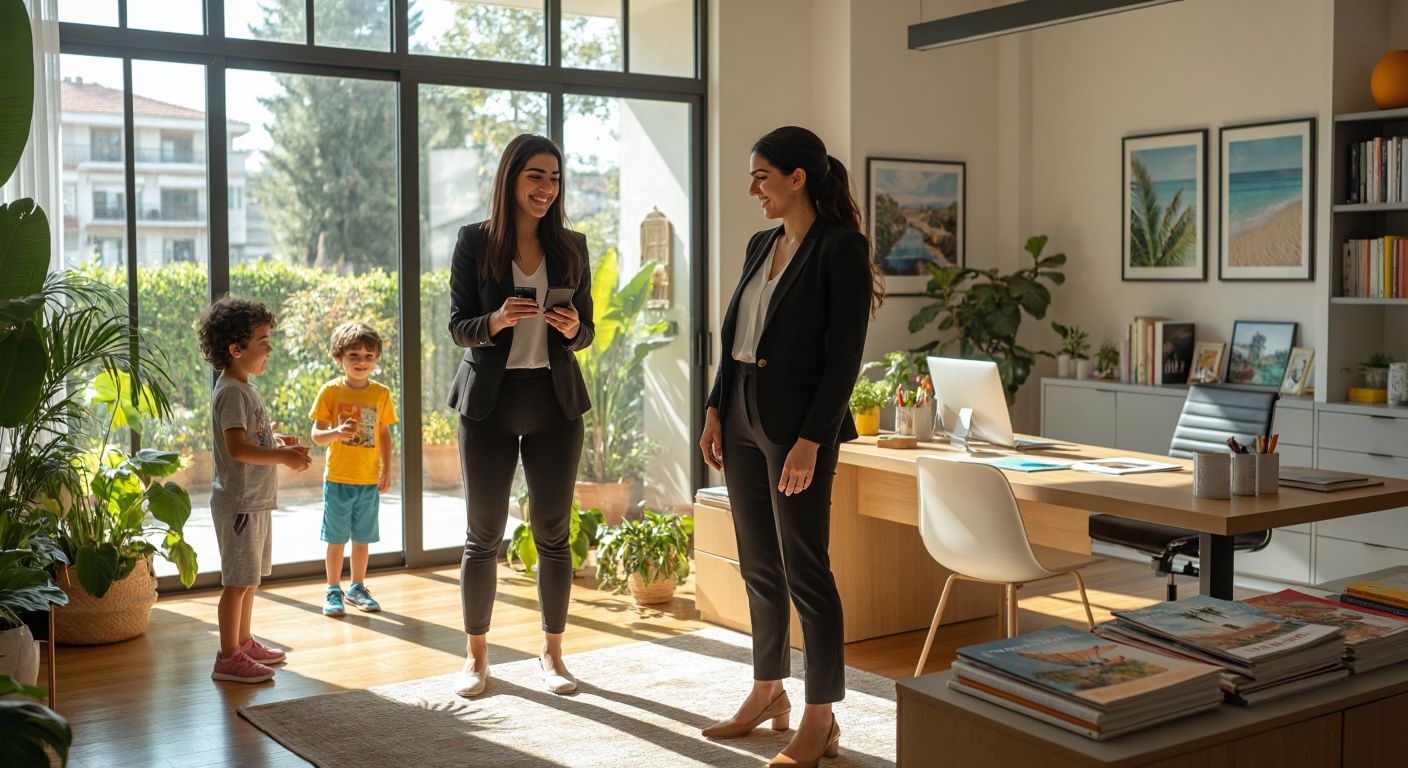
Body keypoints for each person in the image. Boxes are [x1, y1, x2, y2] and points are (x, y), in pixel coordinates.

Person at [698, 126, 882, 768]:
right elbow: (736, 338)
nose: (753, 189)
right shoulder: (761, 244)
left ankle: (820, 716)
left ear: (797, 178)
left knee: (807, 569)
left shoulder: (841, 248)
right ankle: (767, 689)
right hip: (741, 415)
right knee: (757, 563)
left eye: (762, 177)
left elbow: (844, 358)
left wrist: (812, 440)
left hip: (798, 426)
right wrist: (715, 408)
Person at [446, 134, 595, 698]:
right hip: (489, 403)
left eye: (554, 178)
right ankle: (476, 656)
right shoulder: (474, 241)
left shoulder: (572, 246)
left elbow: (586, 330)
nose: (546, 188)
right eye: (536, 176)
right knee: (482, 535)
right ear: (511, 179)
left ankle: (552, 654)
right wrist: (497, 319)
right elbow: (458, 325)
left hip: (555, 404)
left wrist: (573, 328)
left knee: (553, 534)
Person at [198, 296, 313, 683]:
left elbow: (250, 438)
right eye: (263, 341)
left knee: (249, 580)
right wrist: (282, 457)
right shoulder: (232, 392)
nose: (269, 349)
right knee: (237, 583)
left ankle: (243, 642)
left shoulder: (244, 388)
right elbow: (237, 448)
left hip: (254, 501)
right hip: (240, 504)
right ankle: (228, 656)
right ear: (236, 349)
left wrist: (276, 441)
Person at [308, 322, 397, 617]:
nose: (362, 362)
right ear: (339, 358)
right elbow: (316, 435)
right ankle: (333, 589)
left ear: (377, 358)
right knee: (335, 539)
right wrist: (336, 433)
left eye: (369, 356)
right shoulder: (330, 392)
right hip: (337, 479)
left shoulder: (380, 393)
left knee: (363, 538)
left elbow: (384, 433)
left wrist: (387, 469)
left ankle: (357, 587)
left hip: (368, 480)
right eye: (354, 355)